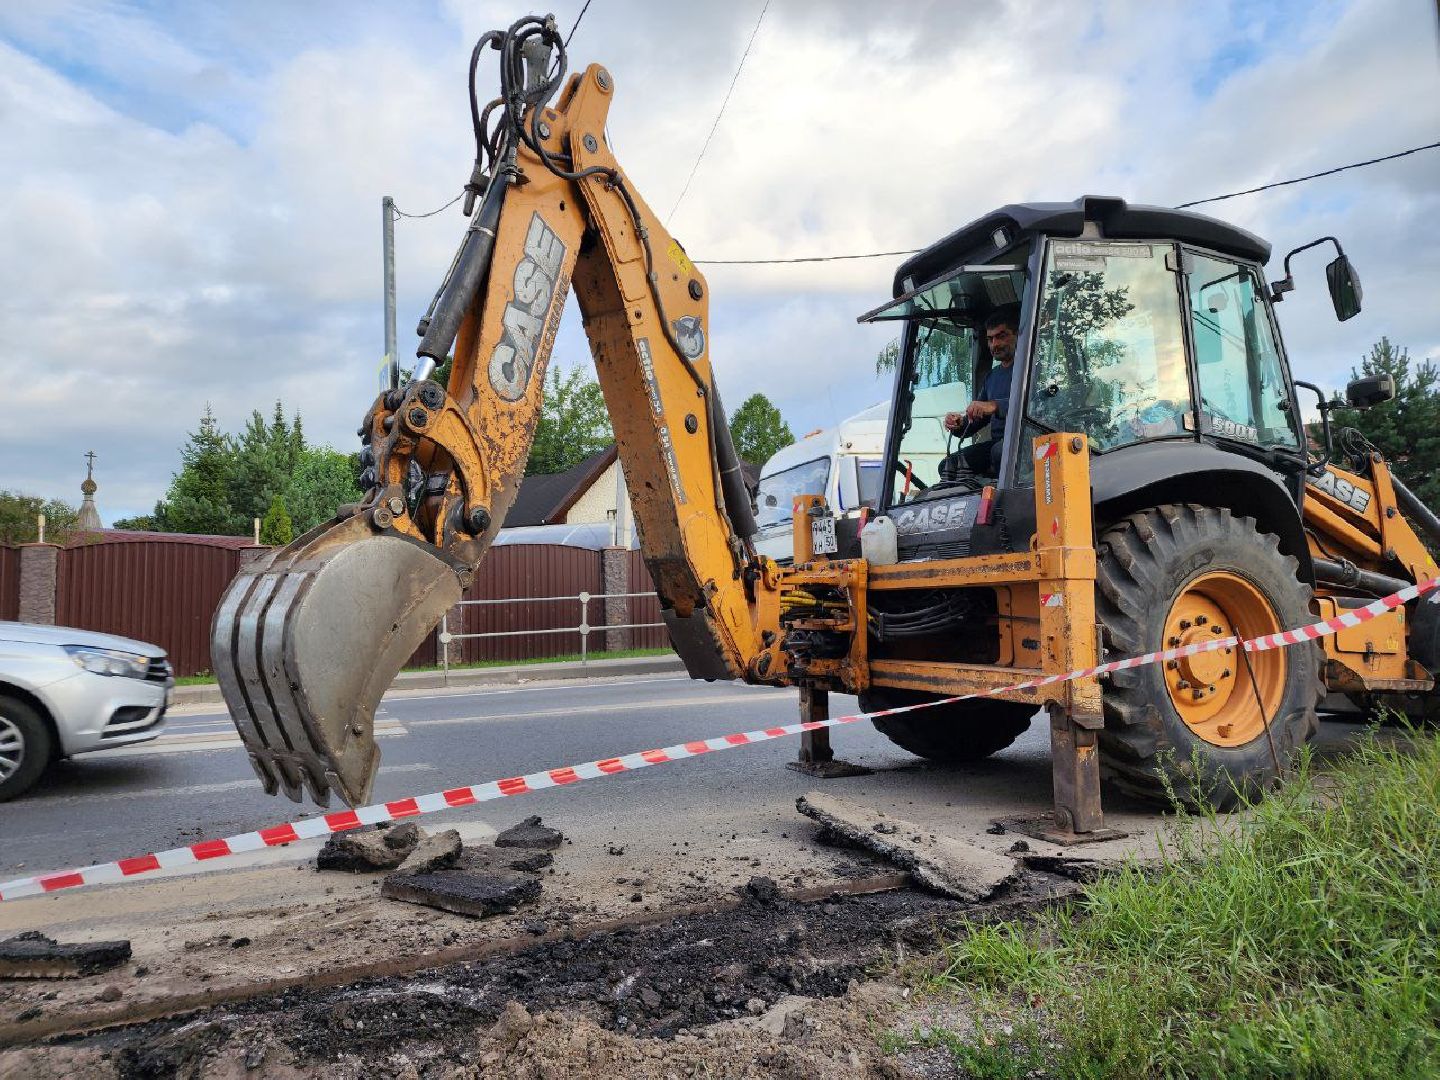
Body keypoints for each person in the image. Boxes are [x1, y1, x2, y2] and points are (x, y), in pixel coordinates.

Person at [944, 307, 1018, 475]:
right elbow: (977, 420)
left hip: (1028, 442)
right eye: (990, 339)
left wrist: (994, 406)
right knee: (948, 467)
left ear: (1017, 335)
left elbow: (1036, 404)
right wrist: (959, 423)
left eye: (1001, 336)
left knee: (1000, 453)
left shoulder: (1033, 369)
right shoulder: (992, 377)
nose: (995, 344)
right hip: (999, 445)